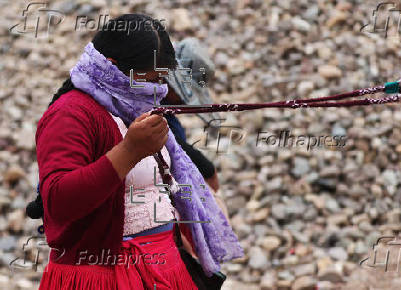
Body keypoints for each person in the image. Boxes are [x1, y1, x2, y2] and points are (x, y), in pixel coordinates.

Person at [25, 14, 243, 290]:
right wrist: (129, 151)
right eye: (151, 80)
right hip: (104, 277)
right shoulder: (71, 114)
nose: (159, 91)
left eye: (163, 80)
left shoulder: (134, 108)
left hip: (164, 270)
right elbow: (58, 201)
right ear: (112, 69)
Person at [162, 37, 229, 220]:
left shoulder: (168, 110)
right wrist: (206, 168)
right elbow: (169, 141)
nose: (184, 102)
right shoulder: (149, 101)